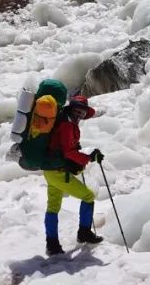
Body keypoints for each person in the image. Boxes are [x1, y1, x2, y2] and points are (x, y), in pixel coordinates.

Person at [43, 95, 104, 255]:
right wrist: (89, 158)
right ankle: (84, 233)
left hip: (50, 170)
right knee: (88, 196)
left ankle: (52, 244)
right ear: (71, 109)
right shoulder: (67, 125)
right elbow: (68, 152)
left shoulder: (66, 122)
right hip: (58, 173)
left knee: (53, 206)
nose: (80, 115)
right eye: (78, 111)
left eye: (82, 113)